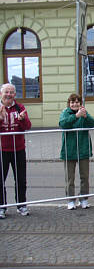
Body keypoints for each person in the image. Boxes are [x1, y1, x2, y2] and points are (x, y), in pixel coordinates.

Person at [59, 94, 94, 210]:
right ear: (69, 104)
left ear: (80, 103)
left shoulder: (83, 112)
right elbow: (63, 124)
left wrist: (85, 117)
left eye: (77, 102)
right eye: (72, 102)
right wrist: (76, 116)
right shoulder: (66, 113)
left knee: (84, 177)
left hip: (83, 150)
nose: (75, 104)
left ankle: (84, 198)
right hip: (69, 151)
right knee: (70, 178)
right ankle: (70, 200)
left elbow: (93, 123)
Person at [0, 83, 32, 219]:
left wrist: (22, 120)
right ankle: (2, 206)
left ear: (15, 94)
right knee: (0, 179)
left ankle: (21, 205)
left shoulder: (20, 107)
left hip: (18, 149)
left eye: (11, 92)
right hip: (2, 150)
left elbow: (28, 126)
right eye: (7, 92)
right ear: (1, 94)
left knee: (20, 179)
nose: (9, 94)